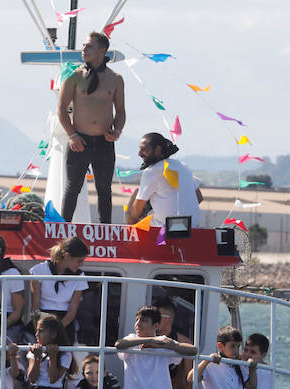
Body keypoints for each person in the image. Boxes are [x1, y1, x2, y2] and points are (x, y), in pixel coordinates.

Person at [57, 30, 126, 223]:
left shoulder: (116, 79)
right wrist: (72, 135)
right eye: (84, 45)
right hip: (80, 140)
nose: (84, 49)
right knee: (73, 187)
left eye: (89, 46)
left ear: (102, 50)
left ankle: (105, 229)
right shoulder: (75, 76)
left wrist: (117, 131)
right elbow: (61, 109)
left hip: (104, 142)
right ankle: (64, 228)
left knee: (104, 189)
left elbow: (120, 111)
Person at [124, 132, 203, 228]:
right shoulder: (183, 166)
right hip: (192, 227)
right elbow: (199, 197)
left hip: (164, 229)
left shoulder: (151, 171)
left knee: (136, 194)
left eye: (144, 150)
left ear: (158, 150)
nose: (139, 153)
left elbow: (137, 209)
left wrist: (129, 215)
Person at [28, 236, 89, 344]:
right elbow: (35, 308)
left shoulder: (80, 276)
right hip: (40, 320)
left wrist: (56, 331)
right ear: (67, 256)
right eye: (79, 261)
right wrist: (40, 331)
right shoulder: (39, 270)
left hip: (64, 322)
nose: (81, 264)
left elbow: (72, 313)